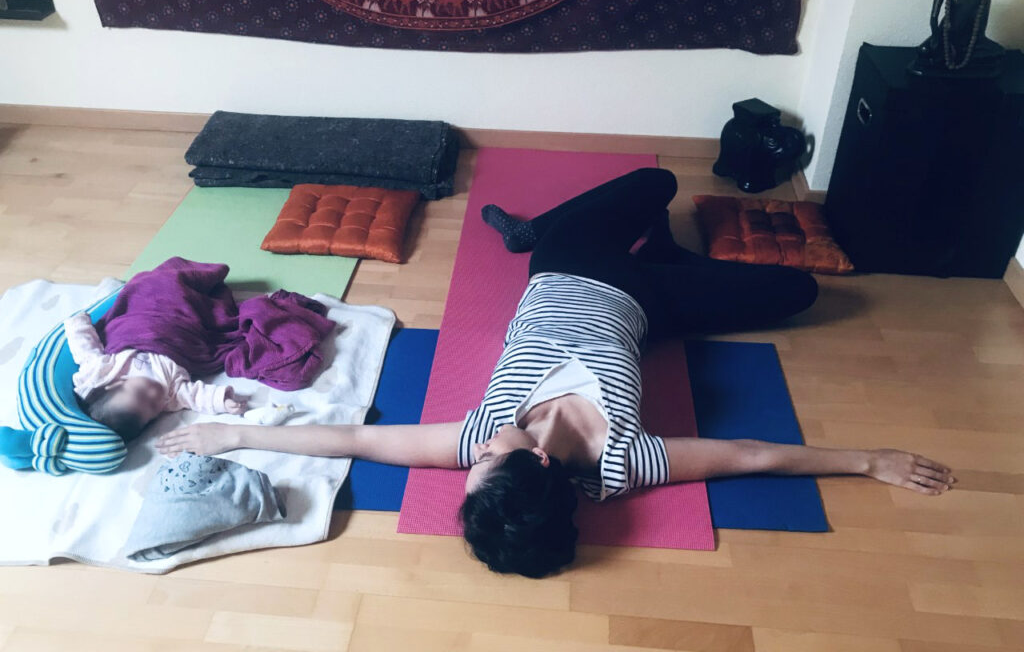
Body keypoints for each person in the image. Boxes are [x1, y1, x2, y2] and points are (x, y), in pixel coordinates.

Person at [156, 168, 955, 578]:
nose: (473, 455)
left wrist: (236, 433)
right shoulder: (625, 464)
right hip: (647, 308)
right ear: (539, 463)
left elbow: (358, 439)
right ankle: (662, 254)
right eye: (484, 465)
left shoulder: (481, 439)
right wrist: (869, 460)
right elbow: (751, 455)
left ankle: (533, 230)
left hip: (568, 264)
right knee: (800, 291)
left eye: (473, 466)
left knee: (657, 185)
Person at [65, 313, 247, 441]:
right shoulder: (170, 395)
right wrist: (223, 402)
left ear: (114, 384)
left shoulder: (103, 371)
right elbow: (195, 396)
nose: (153, 394)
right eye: (153, 406)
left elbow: (85, 348)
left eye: (141, 393)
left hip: (145, 329)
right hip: (180, 339)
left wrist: (78, 323)